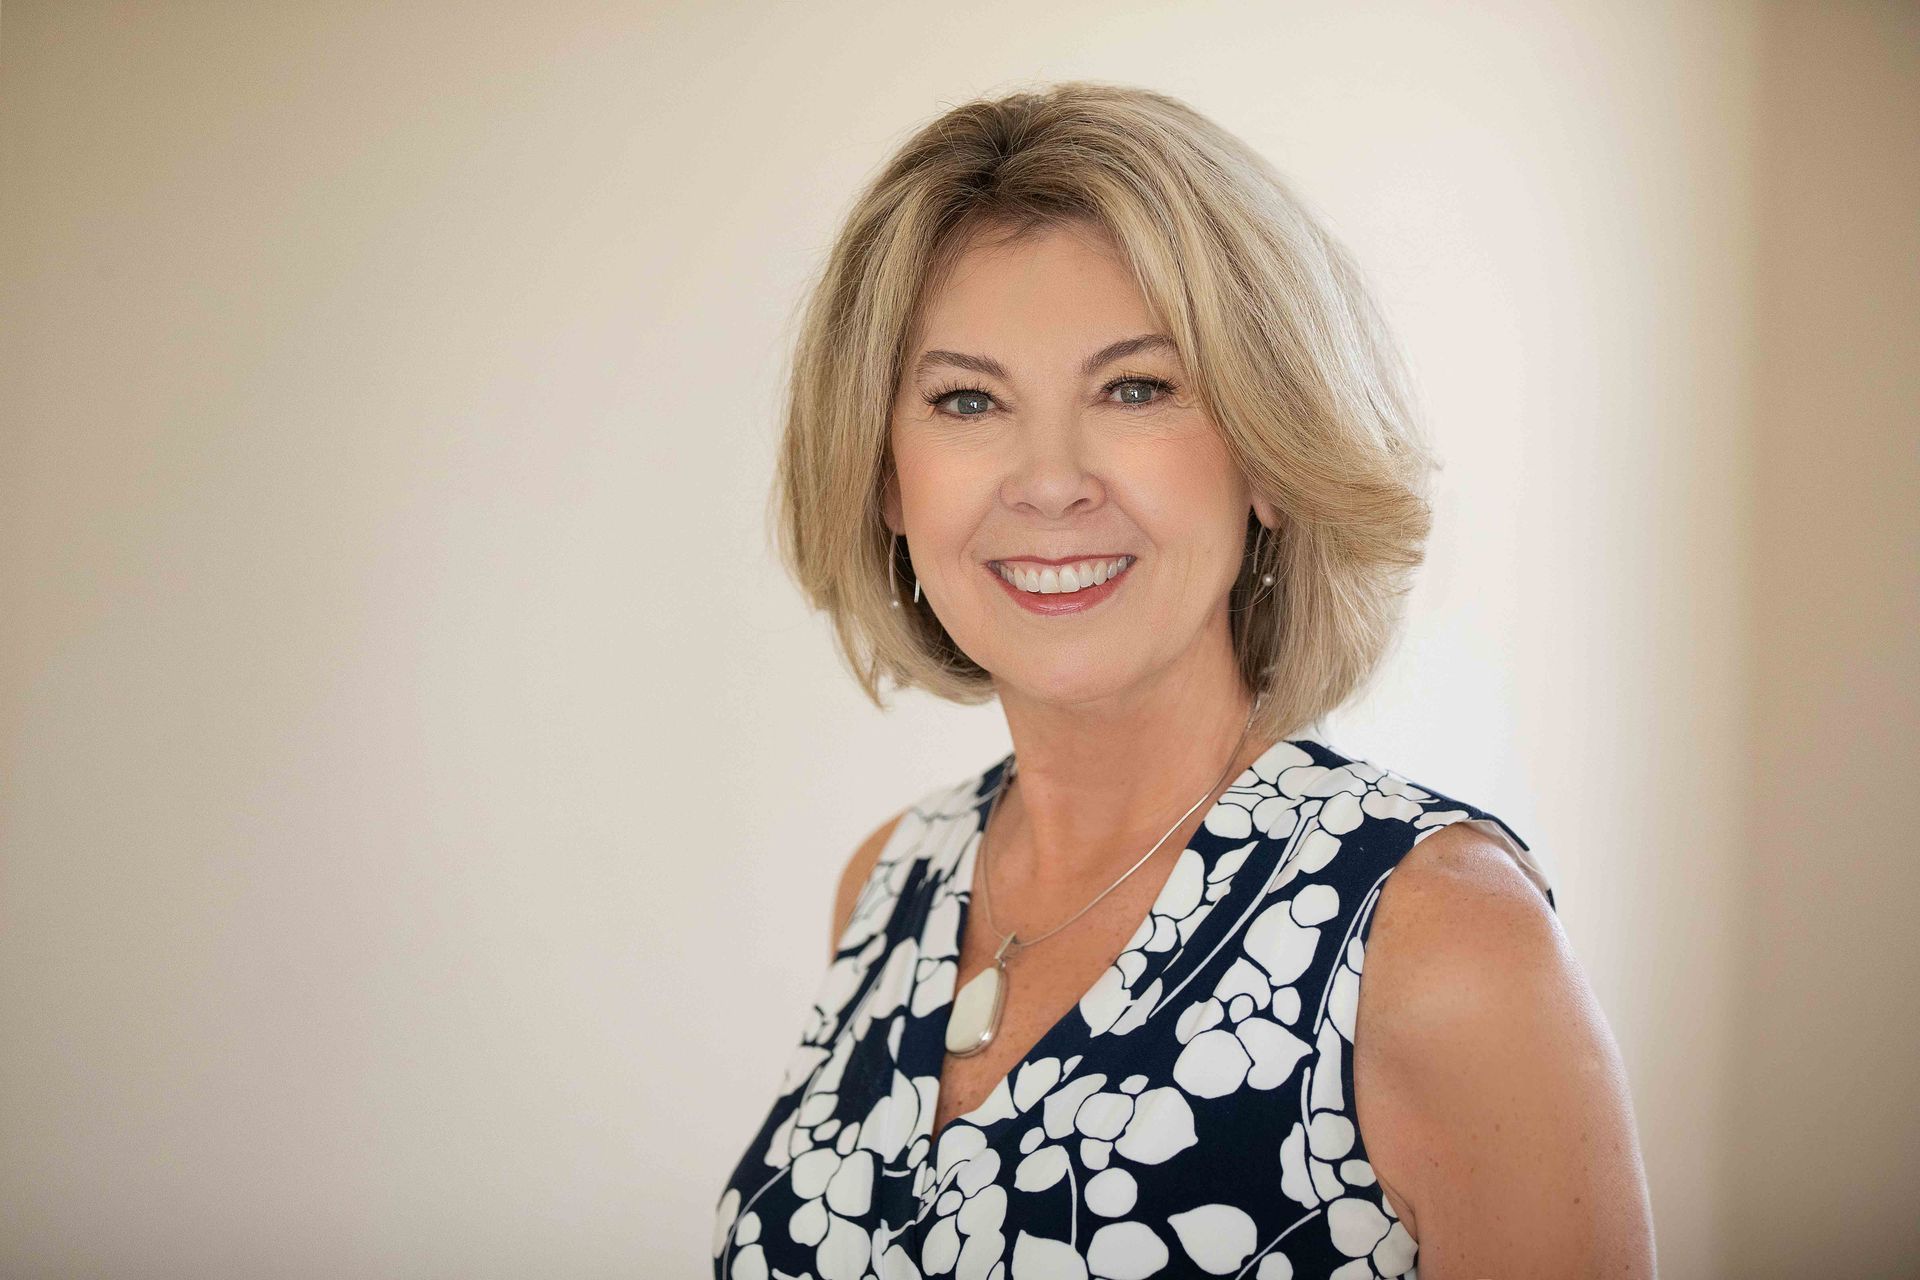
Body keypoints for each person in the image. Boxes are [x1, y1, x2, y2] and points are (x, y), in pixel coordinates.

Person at [713, 81, 1654, 1280]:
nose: (1049, 482)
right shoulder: (889, 880)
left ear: (1270, 452)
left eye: (1136, 388)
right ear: (887, 477)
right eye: (967, 400)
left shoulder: (1442, 938)